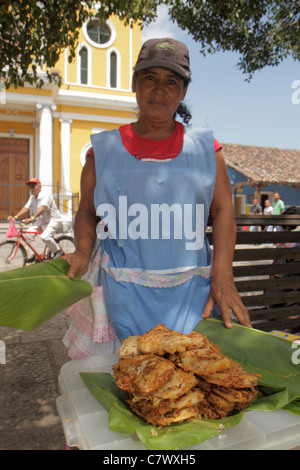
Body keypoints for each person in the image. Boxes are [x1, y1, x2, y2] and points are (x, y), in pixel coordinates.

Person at [63, 38, 252, 357]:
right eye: (150, 77)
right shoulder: (104, 152)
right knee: (134, 383)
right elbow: (87, 212)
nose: (159, 89)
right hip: (121, 298)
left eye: (171, 81)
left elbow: (222, 211)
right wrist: (83, 251)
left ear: (183, 91)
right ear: (135, 83)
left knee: (188, 386)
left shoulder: (207, 150)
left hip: (192, 298)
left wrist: (223, 275)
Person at [7, 178, 64, 258]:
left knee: (45, 237)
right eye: (30, 187)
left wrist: (32, 218)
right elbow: (26, 208)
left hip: (53, 221)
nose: (32, 189)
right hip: (41, 222)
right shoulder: (32, 197)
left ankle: (58, 251)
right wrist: (15, 217)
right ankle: (33, 255)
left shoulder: (46, 194)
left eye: (34, 186)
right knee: (28, 234)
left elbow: (43, 207)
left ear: (39, 186)